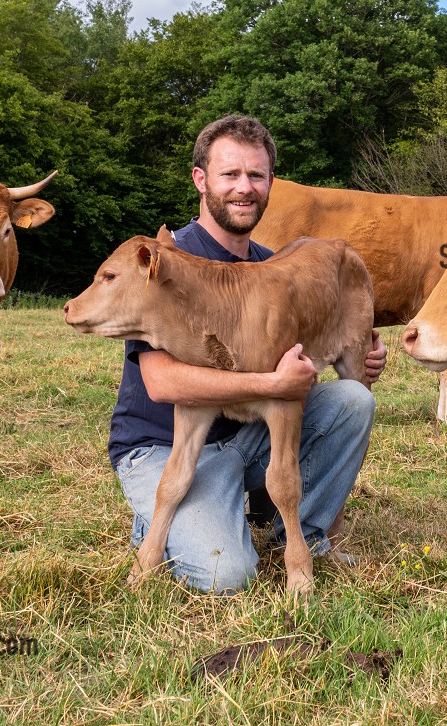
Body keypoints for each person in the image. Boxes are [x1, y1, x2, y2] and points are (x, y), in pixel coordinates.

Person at [108, 114, 387, 593]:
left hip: (248, 434)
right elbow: (162, 383)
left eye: (256, 176)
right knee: (226, 573)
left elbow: (294, 374)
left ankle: (303, 531)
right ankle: (164, 524)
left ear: (272, 183)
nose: (245, 188)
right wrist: (270, 385)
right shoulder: (165, 259)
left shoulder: (269, 267)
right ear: (201, 179)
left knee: (352, 402)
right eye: (230, 174)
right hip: (163, 444)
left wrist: (343, 351)